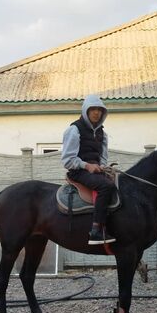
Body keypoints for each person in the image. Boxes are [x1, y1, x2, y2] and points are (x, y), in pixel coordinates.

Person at [61, 94, 116, 245]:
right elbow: (67, 160)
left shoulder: (102, 133)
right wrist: (87, 165)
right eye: (93, 109)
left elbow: (102, 157)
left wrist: (104, 168)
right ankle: (96, 231)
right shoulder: (74, 129)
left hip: (95, 171)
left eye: (99, 110)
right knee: (106, 186)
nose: (96, 113)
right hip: (78, 171)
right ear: (86, 110)